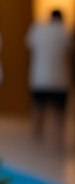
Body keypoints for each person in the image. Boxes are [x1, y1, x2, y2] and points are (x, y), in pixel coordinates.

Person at [26, 9, 71, 147]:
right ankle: (59, 141)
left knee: (38, 109)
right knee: (59, 113)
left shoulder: (38, 29)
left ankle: (36, 139)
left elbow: (30, 47)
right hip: (60, 78)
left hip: (39, 77)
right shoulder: (65, 32)